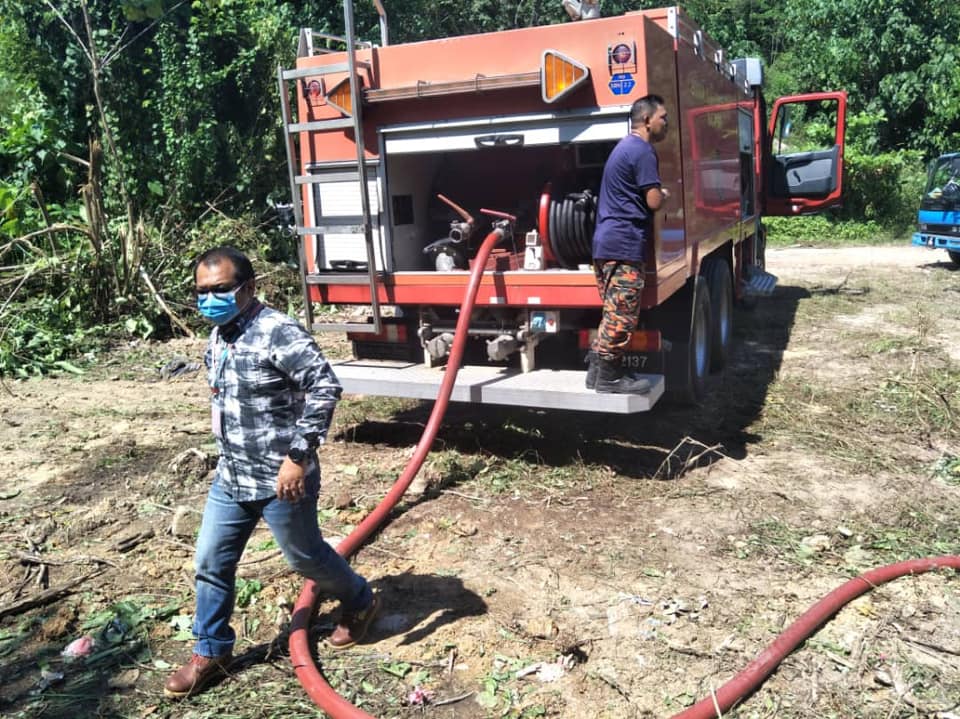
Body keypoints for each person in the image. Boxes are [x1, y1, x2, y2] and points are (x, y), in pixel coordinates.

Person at [164, 246, 379, 699]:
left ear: (249, 287)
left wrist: (297, 456)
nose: (209, 300)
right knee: (210, 561)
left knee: (305, 558)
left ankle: (359, 598)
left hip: (284, 479)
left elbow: (324, 385)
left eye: (220, 290)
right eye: (202, 292)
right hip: (232, 475)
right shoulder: (219, 334)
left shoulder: (277, 331)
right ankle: (212, 649)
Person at [587, 94, 670, 394]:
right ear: (647, 120)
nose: (666, 123)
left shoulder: (623, 147)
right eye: (663, 117)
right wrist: (664, 194)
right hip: (623, 244)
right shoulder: (642, 151)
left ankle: (597, 373)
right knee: (622, 314)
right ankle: (608, 378)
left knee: (612, 311)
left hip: (606, 243)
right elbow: (652, 200)